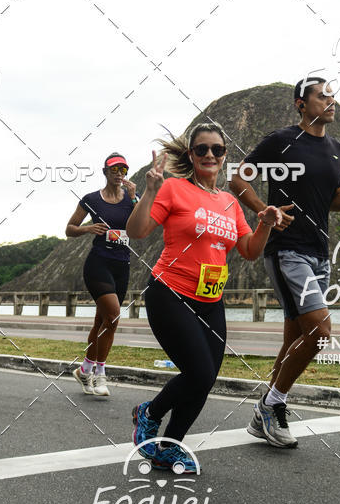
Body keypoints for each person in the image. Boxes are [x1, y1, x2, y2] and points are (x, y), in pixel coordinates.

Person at [230, 78, 340, 448]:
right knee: (320, 333)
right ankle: (274, 404)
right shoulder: (281, 140)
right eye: (322, 96)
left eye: (333, 95)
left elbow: (331, 198)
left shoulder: (336, 149)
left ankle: (263, 414)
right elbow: (238, 177)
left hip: (319, 251)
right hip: (286, 249)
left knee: (295, 340)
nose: (331, 101)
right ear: (302, 104)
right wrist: (262, 211)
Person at [126, 123, 281, 473]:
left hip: (210, 300)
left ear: (225, 156)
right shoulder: (174, 189)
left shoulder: (229, 202)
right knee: (198, 373)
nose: (210, 155)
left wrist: (266, 223)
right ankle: (149, 413)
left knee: (206, 378)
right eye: (202, 150)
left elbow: (249, 250)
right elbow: (137, 232)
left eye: (217, 150)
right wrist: (150, 190)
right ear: (191, 155)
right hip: (170, 292)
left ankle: (168, 446)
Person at [66, 153, 138, 397]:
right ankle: (100, 374)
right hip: (98, 263)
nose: (120, 174)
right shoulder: (91, 199)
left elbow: (141, 228)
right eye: (115, 169)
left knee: (102, 321)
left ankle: (84, 369)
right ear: (105, 172)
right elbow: (69, 229)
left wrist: (135, 200)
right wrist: (88, 228)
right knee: (114, 316)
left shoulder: (131, 199)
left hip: (122, 264)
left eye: (124, 170)